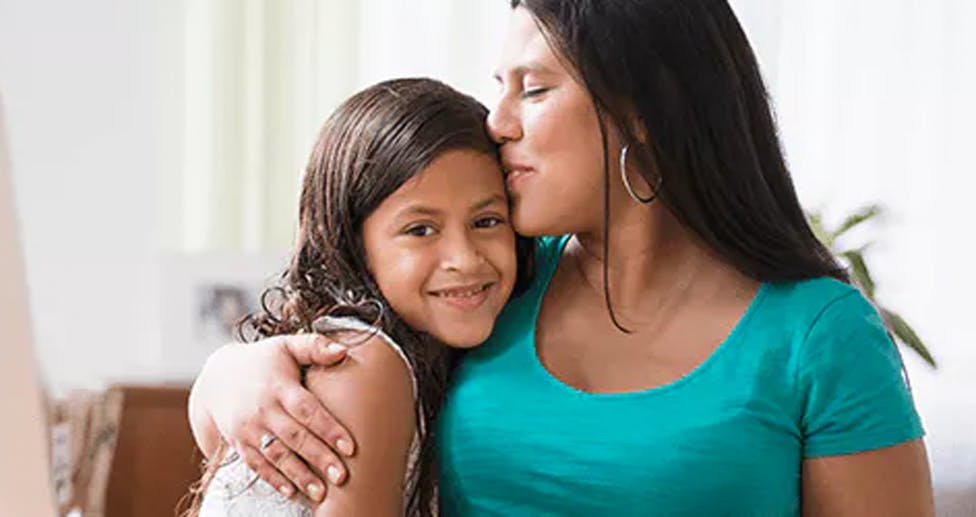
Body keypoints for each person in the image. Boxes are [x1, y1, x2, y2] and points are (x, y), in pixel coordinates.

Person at [188, 1, 935, 515]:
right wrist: (230, 375)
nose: (497, 121)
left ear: (643, 108)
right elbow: (343, 356)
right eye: (498, 89)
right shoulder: (494, 277)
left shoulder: (818, 333)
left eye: (534, 89)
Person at [185, 77, 534, 516]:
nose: (464, 259)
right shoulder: (362, 362)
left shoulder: (400, 354)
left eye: (486, 221)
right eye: (420, 230)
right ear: (353, 244)